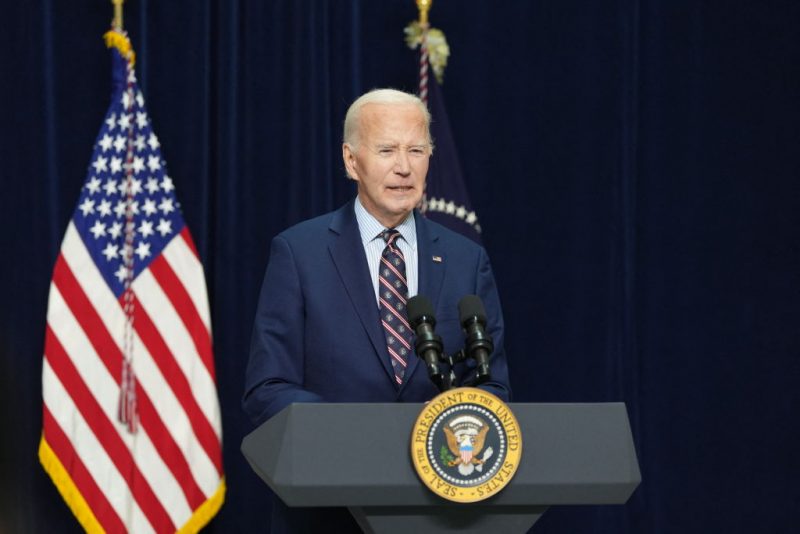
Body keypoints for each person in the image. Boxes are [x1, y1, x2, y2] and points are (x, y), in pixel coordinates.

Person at [243, 88, 511, 533]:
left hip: (441, 512)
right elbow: (267, 388)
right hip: (328, 512)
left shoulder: (467, 261)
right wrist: (358, 435)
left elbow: (493, 387)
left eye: (417, 150)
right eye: (387, 150)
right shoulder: (299, 253)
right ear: (352, 161)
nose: (404, 167)